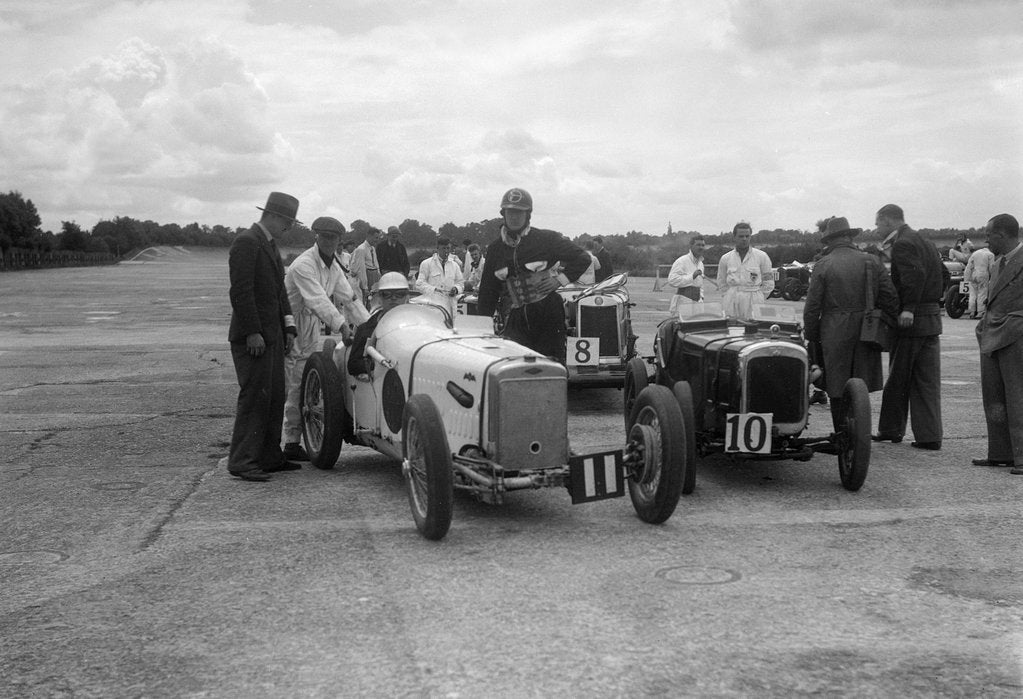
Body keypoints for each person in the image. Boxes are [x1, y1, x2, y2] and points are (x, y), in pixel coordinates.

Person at [226, 192, 301, 482]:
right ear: (274, 217)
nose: (289, 228)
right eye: (288, 222)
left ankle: (269, 456)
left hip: (272, 337)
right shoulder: (247, 242)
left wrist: (290, 328)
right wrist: (252, 332)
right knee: (255, 398)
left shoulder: (269, 245)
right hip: (253, 338)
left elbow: (280, 293)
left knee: (274, 398)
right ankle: (242, 460)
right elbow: (241, 292)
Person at [281, 217, 369, 461]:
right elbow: (317, 299)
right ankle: (281, 443)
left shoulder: (334, 266)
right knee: (288, 385)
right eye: (324, 236)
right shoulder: (303, 264)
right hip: (289, 324)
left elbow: (348, 298)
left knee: (301, 384)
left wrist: (371, 325)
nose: (329, 241)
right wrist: (341, 326)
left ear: (340, 240)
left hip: (309, 324)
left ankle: (291, 443)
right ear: (316, 237)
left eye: (334, 238)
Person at [803, 217, 900, 430]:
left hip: (833, 329)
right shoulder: (872, 261)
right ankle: (861, 432)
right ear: (849, 237)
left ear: (830, 240)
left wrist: (811, 336)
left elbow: (812, 307)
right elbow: (890, 297)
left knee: (836, 385)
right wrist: (887, 323)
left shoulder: (823, 264)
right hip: (867, 327)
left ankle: (843, 434)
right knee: (861, 382)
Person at [476, 188, 591, 361]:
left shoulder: (546, 239)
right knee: (514, 366)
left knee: (551, 364)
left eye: (519, 212)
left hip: (548, 314)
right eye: (510, 212)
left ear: (528, 215)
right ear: (503, 214)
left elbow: (582, 258)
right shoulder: (495, 249)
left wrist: (560, 280)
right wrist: (481, 329)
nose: (514, 216)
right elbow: (488, 292)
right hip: (515, 317)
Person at [872, 204, 944, 450]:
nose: (876, 228)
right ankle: (930, 436)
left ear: (889, 221)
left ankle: (890, 429)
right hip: (932, 319)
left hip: (911, 322)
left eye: (878, 223)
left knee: (898, 378)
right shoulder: (924, 239)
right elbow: (942, 275)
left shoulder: (902, 243)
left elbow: (915, 276)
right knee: (927, 381)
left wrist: (909, 308)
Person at [973, 214, 1023, 474]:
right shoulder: (996, 262)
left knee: (1018, 397)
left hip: (1015, 336)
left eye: (988, 235)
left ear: (1002, 235)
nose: (986, 240)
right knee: (994, 396)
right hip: (992, 336)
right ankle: (1001, 453)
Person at [347, 272, 410, 379]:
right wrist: (378, 364)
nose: (393, 298)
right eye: (387, 294)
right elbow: (353, 365)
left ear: (406, 297)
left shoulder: (417, 326)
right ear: (380, 298)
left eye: (399, 294)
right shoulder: (366, 329)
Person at [715, 222, 775, 321]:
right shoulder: (725, 258)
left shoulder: (762, 256)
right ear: (734, 237)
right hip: (732, 299)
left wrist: (759, 297)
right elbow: (721, 281)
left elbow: (768, 282)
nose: (744, 239)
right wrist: (728, 295)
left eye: (747, 236)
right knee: (732, 328)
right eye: (741, 236)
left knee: (753, 329)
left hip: (754, 299)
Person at [415, 236, 464, 315]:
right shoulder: (426, 264)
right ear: (437, 248)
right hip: (433, 307)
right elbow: (419, 284)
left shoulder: (455, 265)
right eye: (443, 248)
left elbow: (461, 283)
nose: (446, 251)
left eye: (448, 248)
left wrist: (456, 289)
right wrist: (434, 290)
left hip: (450, 308)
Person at [666, 235, 706, 313]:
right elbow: (672, 280)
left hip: (697, 304)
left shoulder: (701, 264)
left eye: (703, 245)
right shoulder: (682, 261)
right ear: (691, 246)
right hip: (683, 303)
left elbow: (699, 285)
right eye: (698, 245)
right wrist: (692, 276)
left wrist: (701, 298)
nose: (701, 247)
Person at [350, 227, 382, 306]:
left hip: (374, 276)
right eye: (375, 238)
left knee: (375, 301)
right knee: (367, 300)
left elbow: (376, 264)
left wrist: (379, 276)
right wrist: (365, 286)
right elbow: (361, 269)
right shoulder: (361, 249)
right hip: (367, 276)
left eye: (378, 238)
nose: (377, 240)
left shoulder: (373, 248)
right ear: (368, 236)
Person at [964, 243, 995, 319]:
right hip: (983, 275)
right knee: (982, 293)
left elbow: (969, 266)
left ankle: (972, 312)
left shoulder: (975, 253)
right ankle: (980, 313)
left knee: (973, 293)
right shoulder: (990, 254)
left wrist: (966, 278)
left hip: (974, 274)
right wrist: (992, 277)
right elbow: (991, 267)